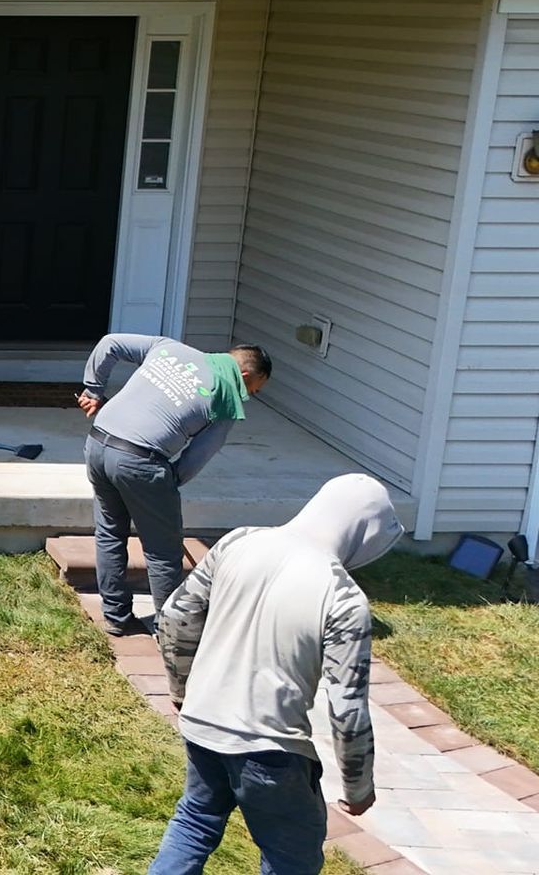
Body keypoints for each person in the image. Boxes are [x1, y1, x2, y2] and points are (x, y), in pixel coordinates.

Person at [148, 473, 403, 875]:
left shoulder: (239, 541)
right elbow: (348, 709)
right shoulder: (344, 598)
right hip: (270, 751)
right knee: (292, 860)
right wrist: (358, 788)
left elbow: (177, 617)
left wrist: (181, 690)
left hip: (201, 726)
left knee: (195, 822)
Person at [77, 336, 272, 636]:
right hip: (140, 460)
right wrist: (168, 483)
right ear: (244, 376)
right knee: (163, 552)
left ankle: (115, 617)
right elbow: (198, 456)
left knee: (110, 533)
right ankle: (169, 633)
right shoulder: (226, 395)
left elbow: (110, 343)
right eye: (253, 390)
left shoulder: (170, 348)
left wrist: (94, 389)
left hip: (98, 442)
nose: (247, 396)